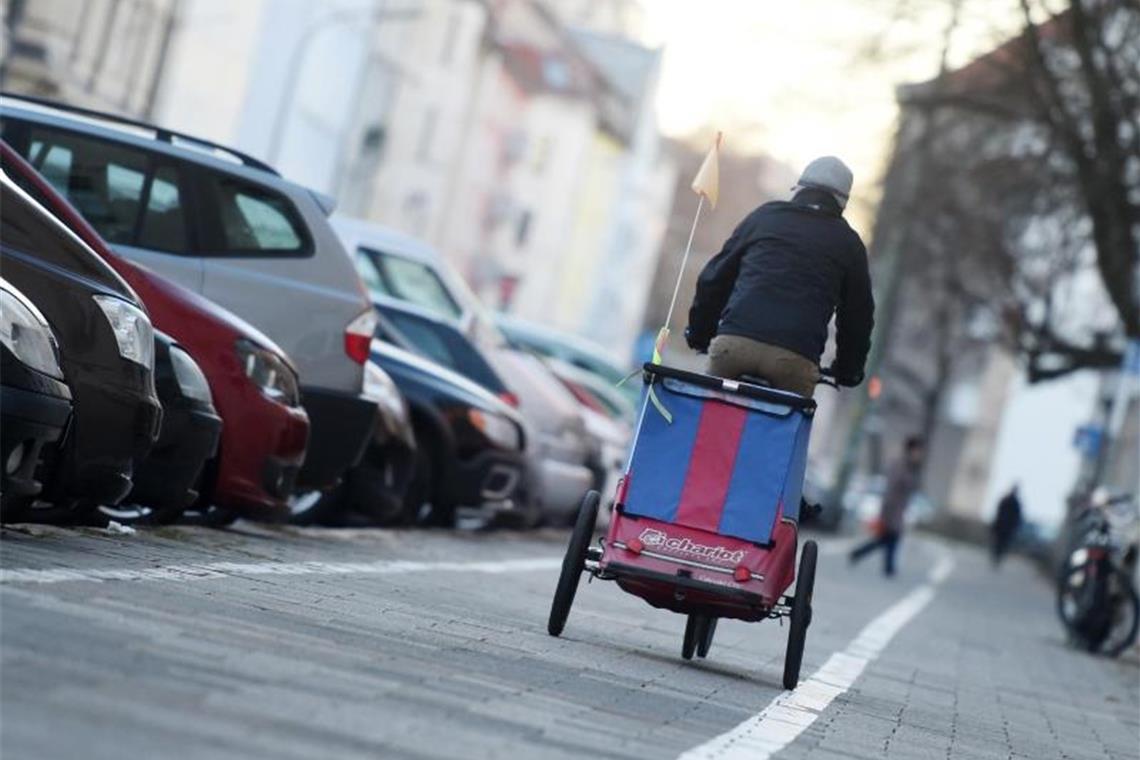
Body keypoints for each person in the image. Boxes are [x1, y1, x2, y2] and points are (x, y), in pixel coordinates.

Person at [685, 156, 874, 397]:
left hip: (736, 344)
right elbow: (857, 317)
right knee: (785, 424)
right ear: (842, 203)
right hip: (795, 359)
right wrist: (848, 369)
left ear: (799, 188)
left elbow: (716, 278)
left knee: (711, 416)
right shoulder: (849, 244)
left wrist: (700, 332)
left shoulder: (765, 218)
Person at [849, 437, 925, 577]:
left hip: (898, 511)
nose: (919, 454)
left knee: (885, 539)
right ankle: (888, 568)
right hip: (891, 510)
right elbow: (892, 489)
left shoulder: (910, 466)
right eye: (918, 451)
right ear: (911, 449)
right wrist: (885, 514)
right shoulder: (900, 465)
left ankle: (861, 556)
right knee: (889, 538)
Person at [991, 485, 1023, 566]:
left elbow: (1017, 518)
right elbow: (998, 512)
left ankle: (997, 557)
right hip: (1003, 526)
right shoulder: (1009, 501)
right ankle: (997, 557)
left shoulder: (1014, 503)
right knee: (1000, 543)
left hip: (1006, 527)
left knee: (1001, 544)